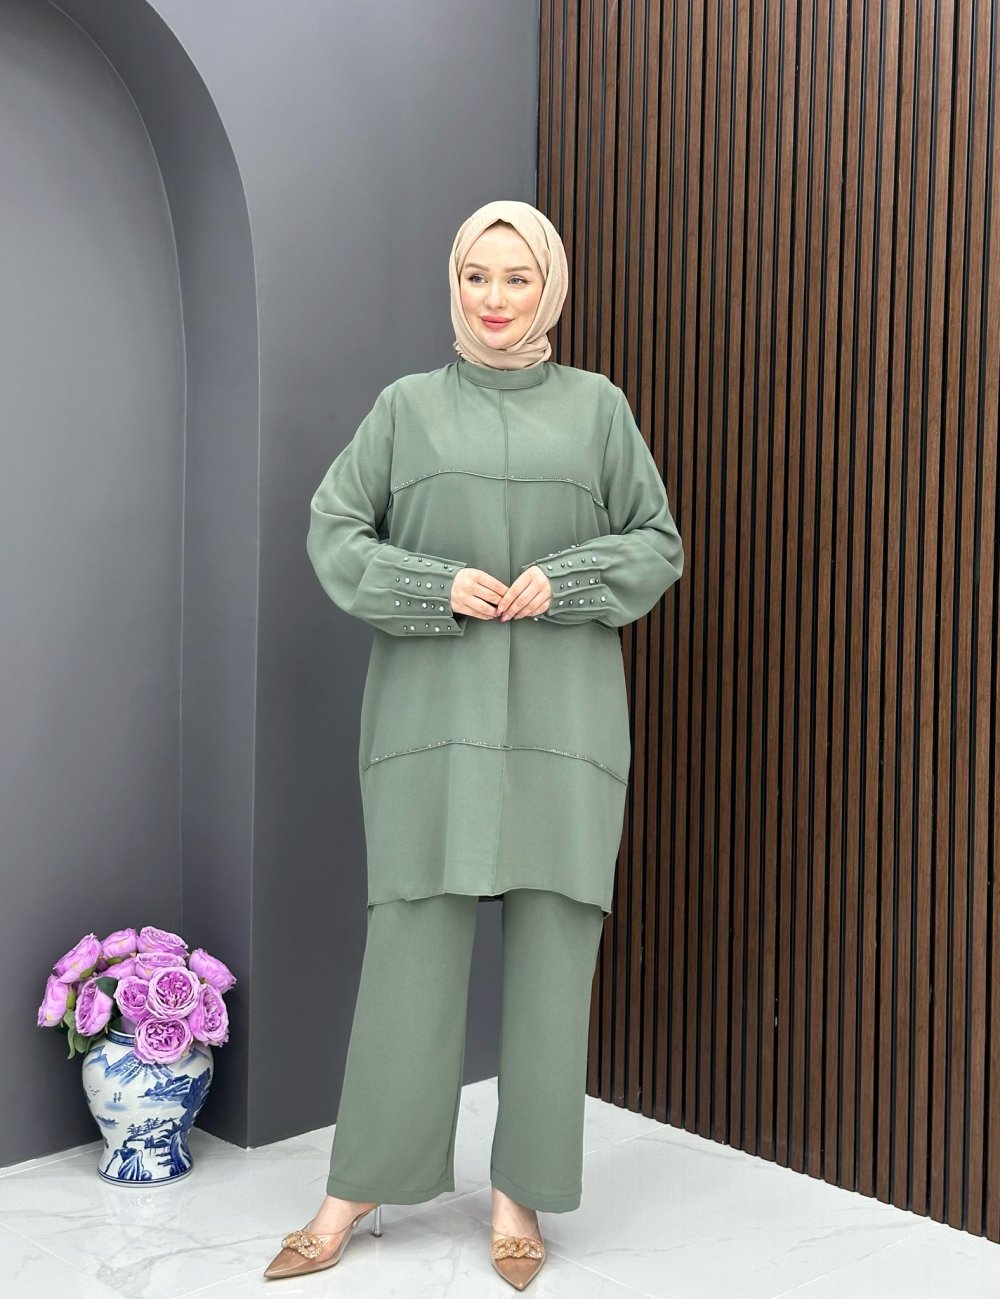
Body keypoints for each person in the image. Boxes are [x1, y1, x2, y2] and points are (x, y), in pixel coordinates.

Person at [263, 199, 684, 1288]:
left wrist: (571, 577)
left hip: (563, 725)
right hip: (430, 723)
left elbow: (657, 541)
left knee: (553, 959)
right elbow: (334, 528)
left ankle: (518, 1192)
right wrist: (432, 583)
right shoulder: (405, 408)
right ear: (454, 284)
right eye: (476, 277)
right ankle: (358, 1184)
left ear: (549, 287)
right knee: (410, 947)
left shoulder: (598, 408)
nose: (495, 300)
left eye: (516, 278)